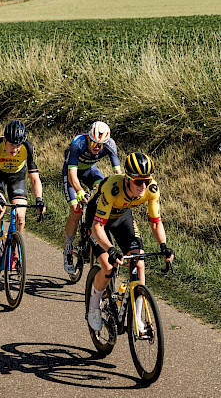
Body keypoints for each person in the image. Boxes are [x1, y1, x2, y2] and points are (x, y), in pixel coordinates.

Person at [84, 152, 174, 332]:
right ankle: (94, 305)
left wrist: (163, 246)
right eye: (138, 182)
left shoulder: (151, 189)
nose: (143, 186)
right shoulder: (112, 187)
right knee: (108, 266)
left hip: (121, 216)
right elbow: (97, 227)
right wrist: (110, 249)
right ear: (127, 178)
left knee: (139, 263)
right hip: (97, 220)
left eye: (146, 180)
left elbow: (156, 223)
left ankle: (137, 318)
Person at [0, 120, 46, 270]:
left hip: (17, 178)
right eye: (11, 144)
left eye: (18, 145)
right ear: (5, 140)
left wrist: (39, 199)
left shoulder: (28, 148)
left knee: (20, 216)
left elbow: (34, 178)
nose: (15, 149)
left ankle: (13, 250)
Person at [62, 121, 121, 274]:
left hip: (91, 172)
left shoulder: (110, 145)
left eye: (100, 145)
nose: (96, 147)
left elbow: (118, 174)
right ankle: (68, 249)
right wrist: (79, 190)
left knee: (103, 192)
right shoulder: (78, 143)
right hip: (72, 173)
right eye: (94, 143)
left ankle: (95, 235)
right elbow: (72, 175)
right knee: (76, 211)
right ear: (88, 138)